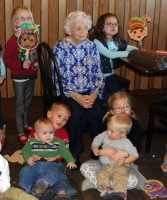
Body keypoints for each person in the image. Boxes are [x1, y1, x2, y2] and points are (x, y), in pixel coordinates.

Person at [53, 11, 105, 165]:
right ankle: (74, 151)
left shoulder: (92, 46)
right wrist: (77, 96)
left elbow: (99, 73)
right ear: (69, 30)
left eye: (86, 28)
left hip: (90, 91)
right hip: (69, 92)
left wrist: (94, 94)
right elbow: (58, 78)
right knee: (74, 114)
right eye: (78, 28)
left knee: (99, 112)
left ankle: (98, 150)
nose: (83, 32)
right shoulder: (60, 47)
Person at [80, 91, 145, 192]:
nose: (123, 110)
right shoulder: (105, 125)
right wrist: (101, 152)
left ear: (131, 108)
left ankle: (97, 184)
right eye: (118, 108)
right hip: (103, 164)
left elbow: (136, 152)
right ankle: (107, 186)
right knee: (84, 167)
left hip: (124, 166)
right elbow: (93, 153)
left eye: (126, 106)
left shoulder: (135, 126)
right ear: (112, 111)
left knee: (133, 181)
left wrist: (123, 154)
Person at [4, 6, 39, 145]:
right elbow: (7, 60)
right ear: (15, 22)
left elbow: (34, 53)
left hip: (31, 75)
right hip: (19, 77)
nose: (25, 20)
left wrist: (34, 62)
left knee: (28, 101)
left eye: (28, 18)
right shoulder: (13, 41)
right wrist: (20, 65)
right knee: (20, 103)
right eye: (21, 17)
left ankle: (25, 123)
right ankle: (19, 130)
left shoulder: (32, 37)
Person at [27, 102, 77, 197]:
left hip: (55, 163)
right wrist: (32, 155)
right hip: (38, 163)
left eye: (65, 119)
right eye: (59, 116)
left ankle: (61, 194)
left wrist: (57, 156)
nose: (61, 120)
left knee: (60, 175)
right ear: (49, 114)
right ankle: (39, 191)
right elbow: (28, 148)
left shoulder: (63, 134)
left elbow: (65, 151)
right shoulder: (37, 130)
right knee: (37, 175)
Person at [90, 13, 138, 100]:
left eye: (115, 24)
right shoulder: (96, 42)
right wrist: (128, 53)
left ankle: (119, 111)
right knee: (102, 99)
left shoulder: (115, 40)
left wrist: (136, 49)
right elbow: (110, 54)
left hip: (110, 75)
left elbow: (127, 47)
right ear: (102, 28)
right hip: (98, 77)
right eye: (109, 24)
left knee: (118, 97)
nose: (113, 26)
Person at [92, 114, 138, 200]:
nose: (108, 132)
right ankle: (106, 190)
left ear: (123, 134)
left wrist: (124, 161)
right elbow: (97, 139)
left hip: (120, 166)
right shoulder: (105, 134)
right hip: (105, 166)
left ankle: (119, 195)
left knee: (120, 178)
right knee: (100, 174)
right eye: (108, 128)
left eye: (112, 131)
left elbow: (135, 155)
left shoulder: (125, 142)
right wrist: (95, 147)